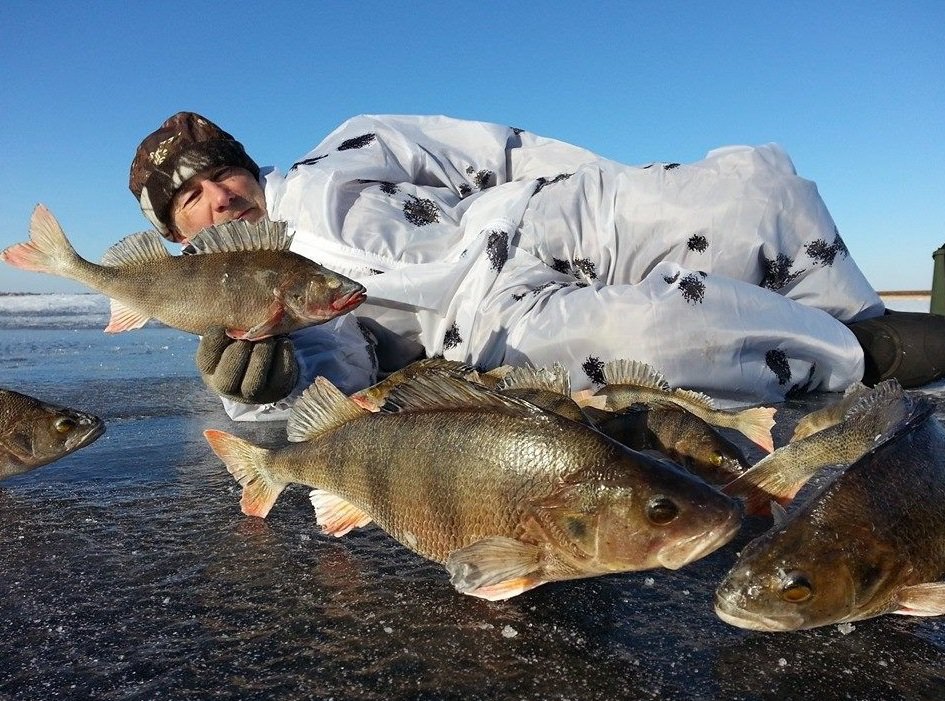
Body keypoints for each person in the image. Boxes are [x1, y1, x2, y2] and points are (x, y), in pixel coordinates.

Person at [129, 112, 945, 421]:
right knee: (651, 335)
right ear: (174, 233)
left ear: (246, 166)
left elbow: (492, 151)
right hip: (488, 326)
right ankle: (858, 359)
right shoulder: (238, 296)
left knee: (753, 196)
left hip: (535, 217)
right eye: (190, 199)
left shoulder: (344, 150)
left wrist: (621, 186)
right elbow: (331, 371)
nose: (218, 198)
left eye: (220, 174)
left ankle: (846, 315)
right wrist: (264, 393)